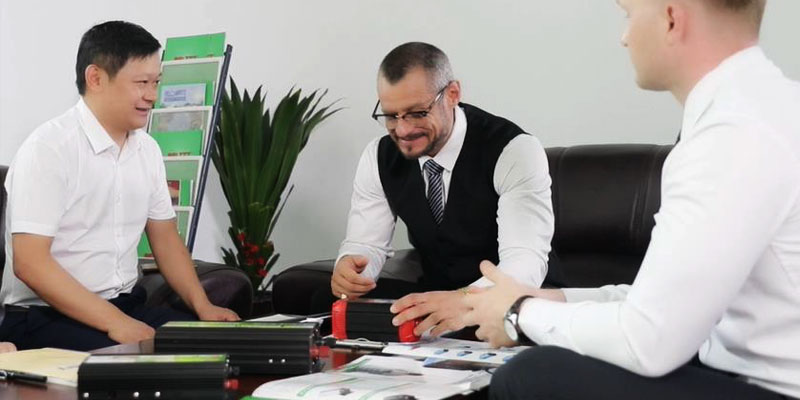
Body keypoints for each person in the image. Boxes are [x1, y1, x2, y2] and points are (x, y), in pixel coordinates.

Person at [463, 0, 800, 398]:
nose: (624, 38)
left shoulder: (730, 136)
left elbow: (650, 339)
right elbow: (668, 304)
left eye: (628, 14)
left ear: (671, 18)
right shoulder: (767, 108)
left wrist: (518, 313)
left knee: (529, 376)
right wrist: (546, 300)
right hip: (736, 368)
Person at [0, 21, 239, 352]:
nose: (152, 96)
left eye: (156, 82)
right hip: (44, 317)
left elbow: (165, 238)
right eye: (141, 83)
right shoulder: (49, 149)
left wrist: (203, 306)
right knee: (142, 358)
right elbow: (30, 264)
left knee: (218, 345)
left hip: (124, 304)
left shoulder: (147, 150)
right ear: (96, 78)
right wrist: (116, 323)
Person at [324, 42, 556, 337]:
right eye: (391, 116)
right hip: (436, 311)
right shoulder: (378, 156)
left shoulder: (514, 151)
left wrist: (463, 300)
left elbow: (525, 263)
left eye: (417, 113)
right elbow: (365, 243)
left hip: (519, 310)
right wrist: (352, 268)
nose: (403, 130)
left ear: (452, 94)